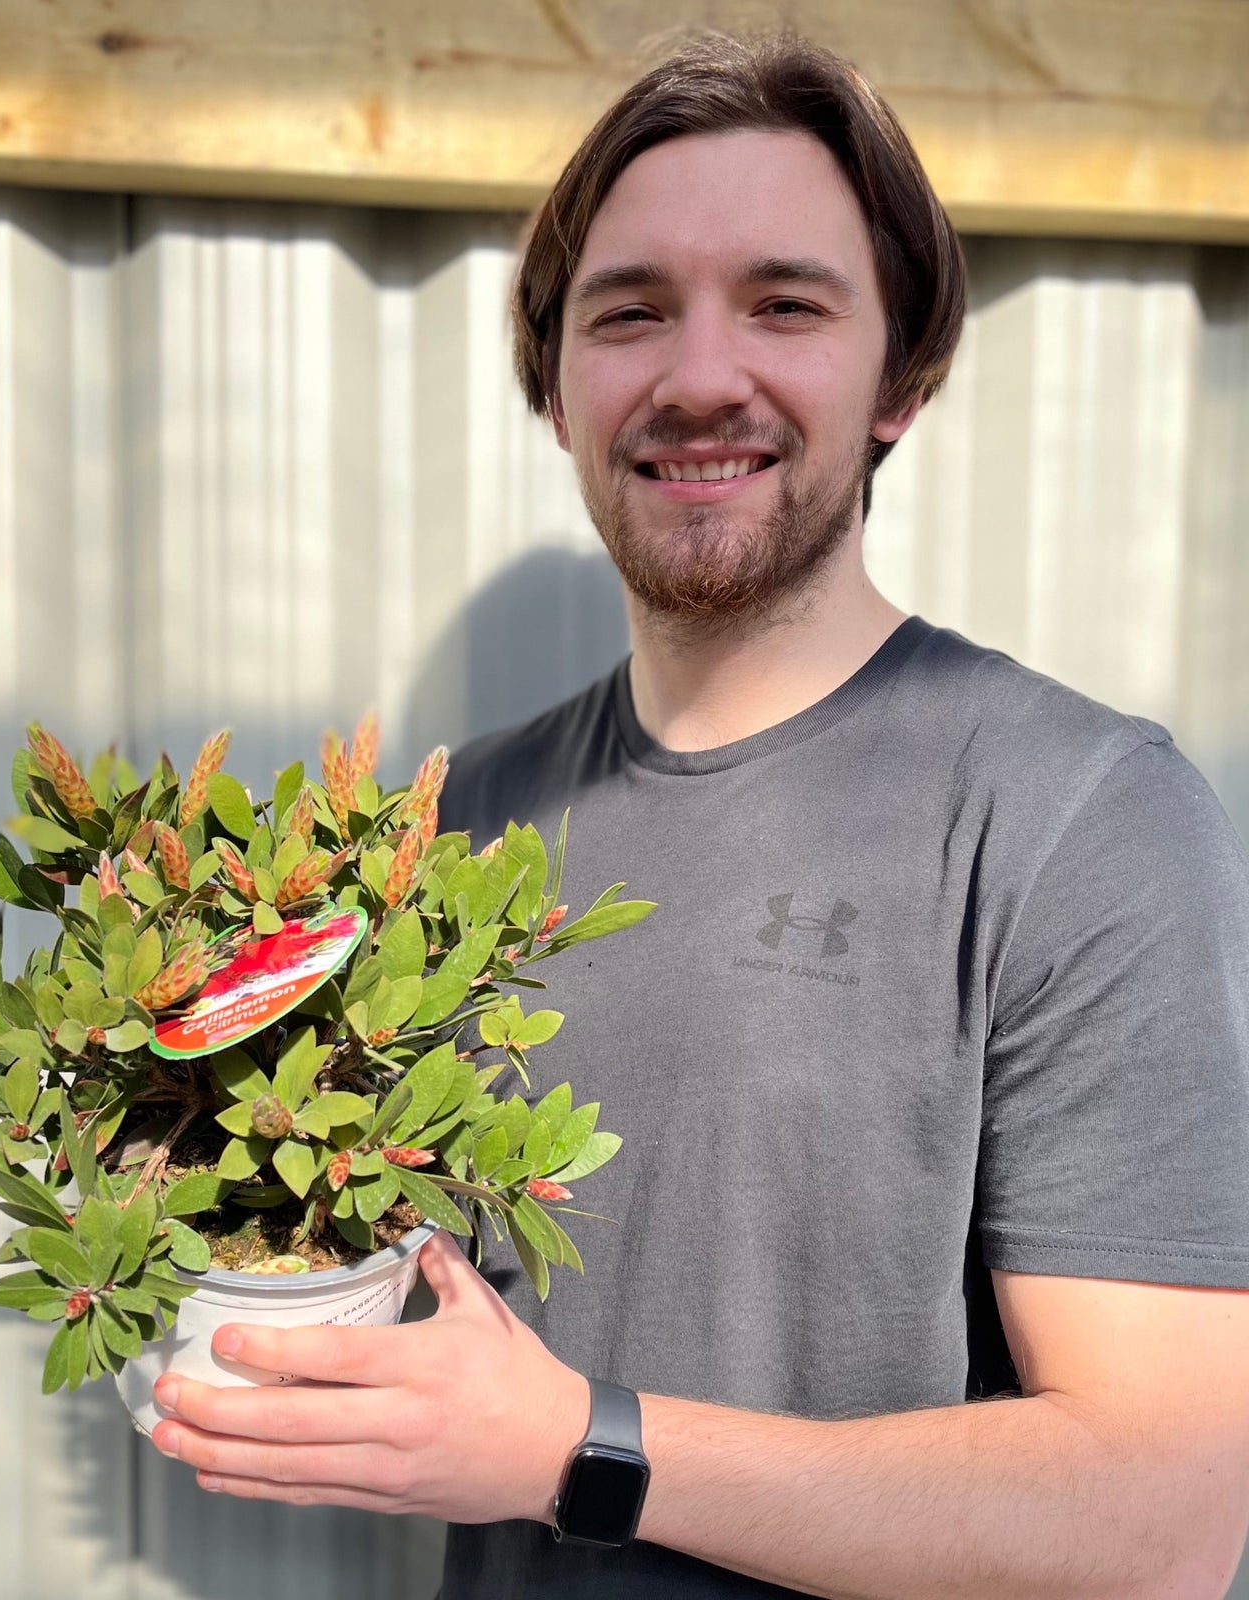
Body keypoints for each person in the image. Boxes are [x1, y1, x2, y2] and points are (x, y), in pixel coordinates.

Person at [145, 31, 1249, 1598]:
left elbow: (1161, 1525)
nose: (701, 375)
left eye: (786, 304)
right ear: (558, 387)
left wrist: (578, 1448)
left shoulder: (1076, 818)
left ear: (903, 379)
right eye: (633, 311)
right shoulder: (441, 839)